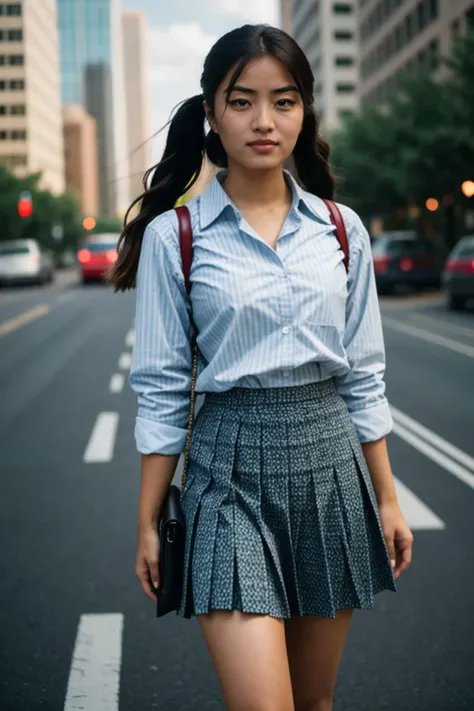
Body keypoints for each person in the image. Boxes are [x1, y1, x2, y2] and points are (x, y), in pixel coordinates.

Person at [109, 24, 413, 711]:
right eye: (241, 101)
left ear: (305, 111)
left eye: (284, 100)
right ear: (212, 112)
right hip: (226, 480)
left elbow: (363, 374)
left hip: (329, 468)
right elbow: (161, 390)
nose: (264, 120)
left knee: (314, 703)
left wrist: (388, 497)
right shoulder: (174, 237)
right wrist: (148, 519)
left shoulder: (342, 229)